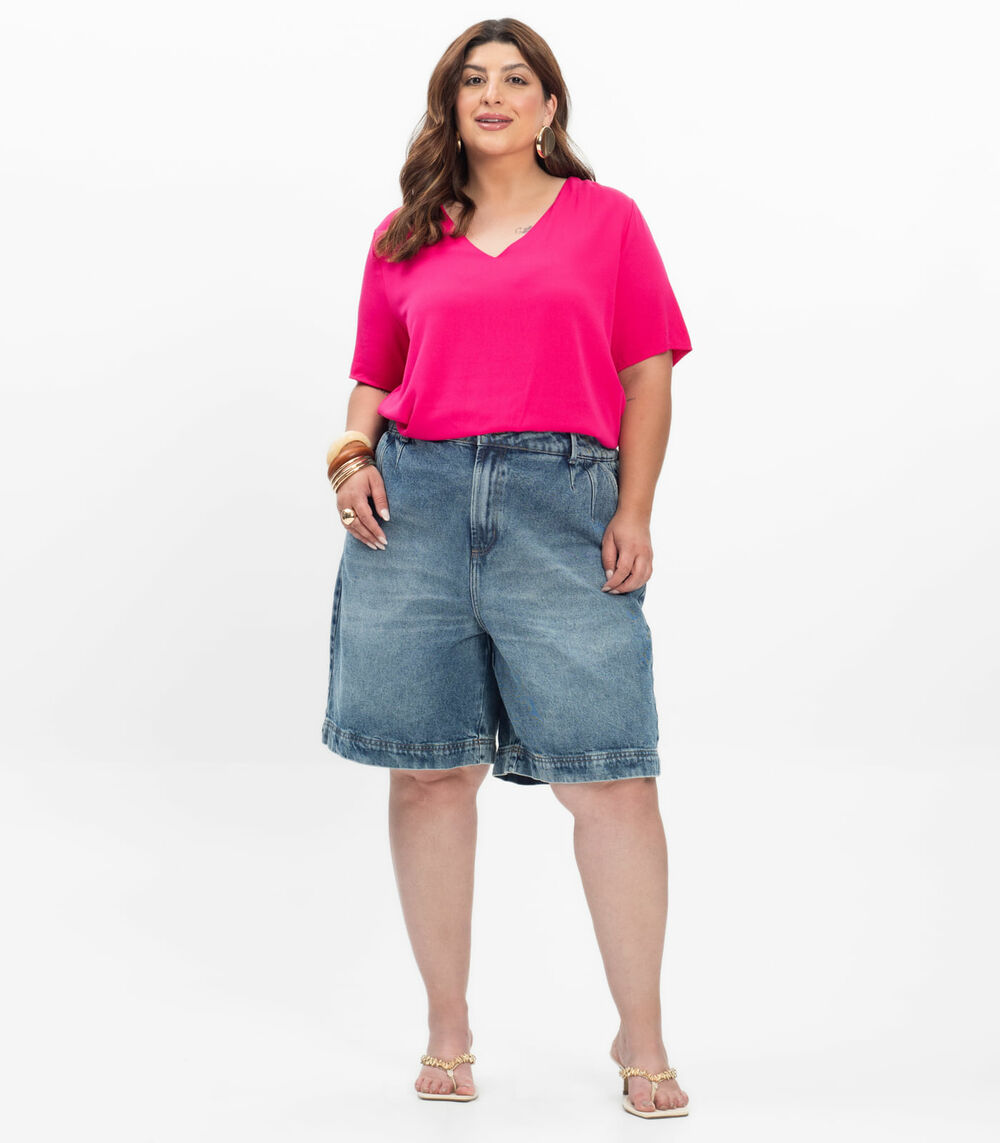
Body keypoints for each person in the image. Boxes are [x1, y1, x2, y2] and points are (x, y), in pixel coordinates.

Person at [322, 18, 692, 1119]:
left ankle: (641, 1033)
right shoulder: (404, 234)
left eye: (514, 78)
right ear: (450, 105)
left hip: (560, 508)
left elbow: (648, 373)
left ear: (548, 105)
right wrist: (348, 461)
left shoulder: (607, 221)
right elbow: (371, 380)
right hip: (415, 512)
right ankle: (448, 1028)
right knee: (429, 773)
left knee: (611, 778)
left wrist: (633, 509)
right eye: (472, 80)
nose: (492, 94)